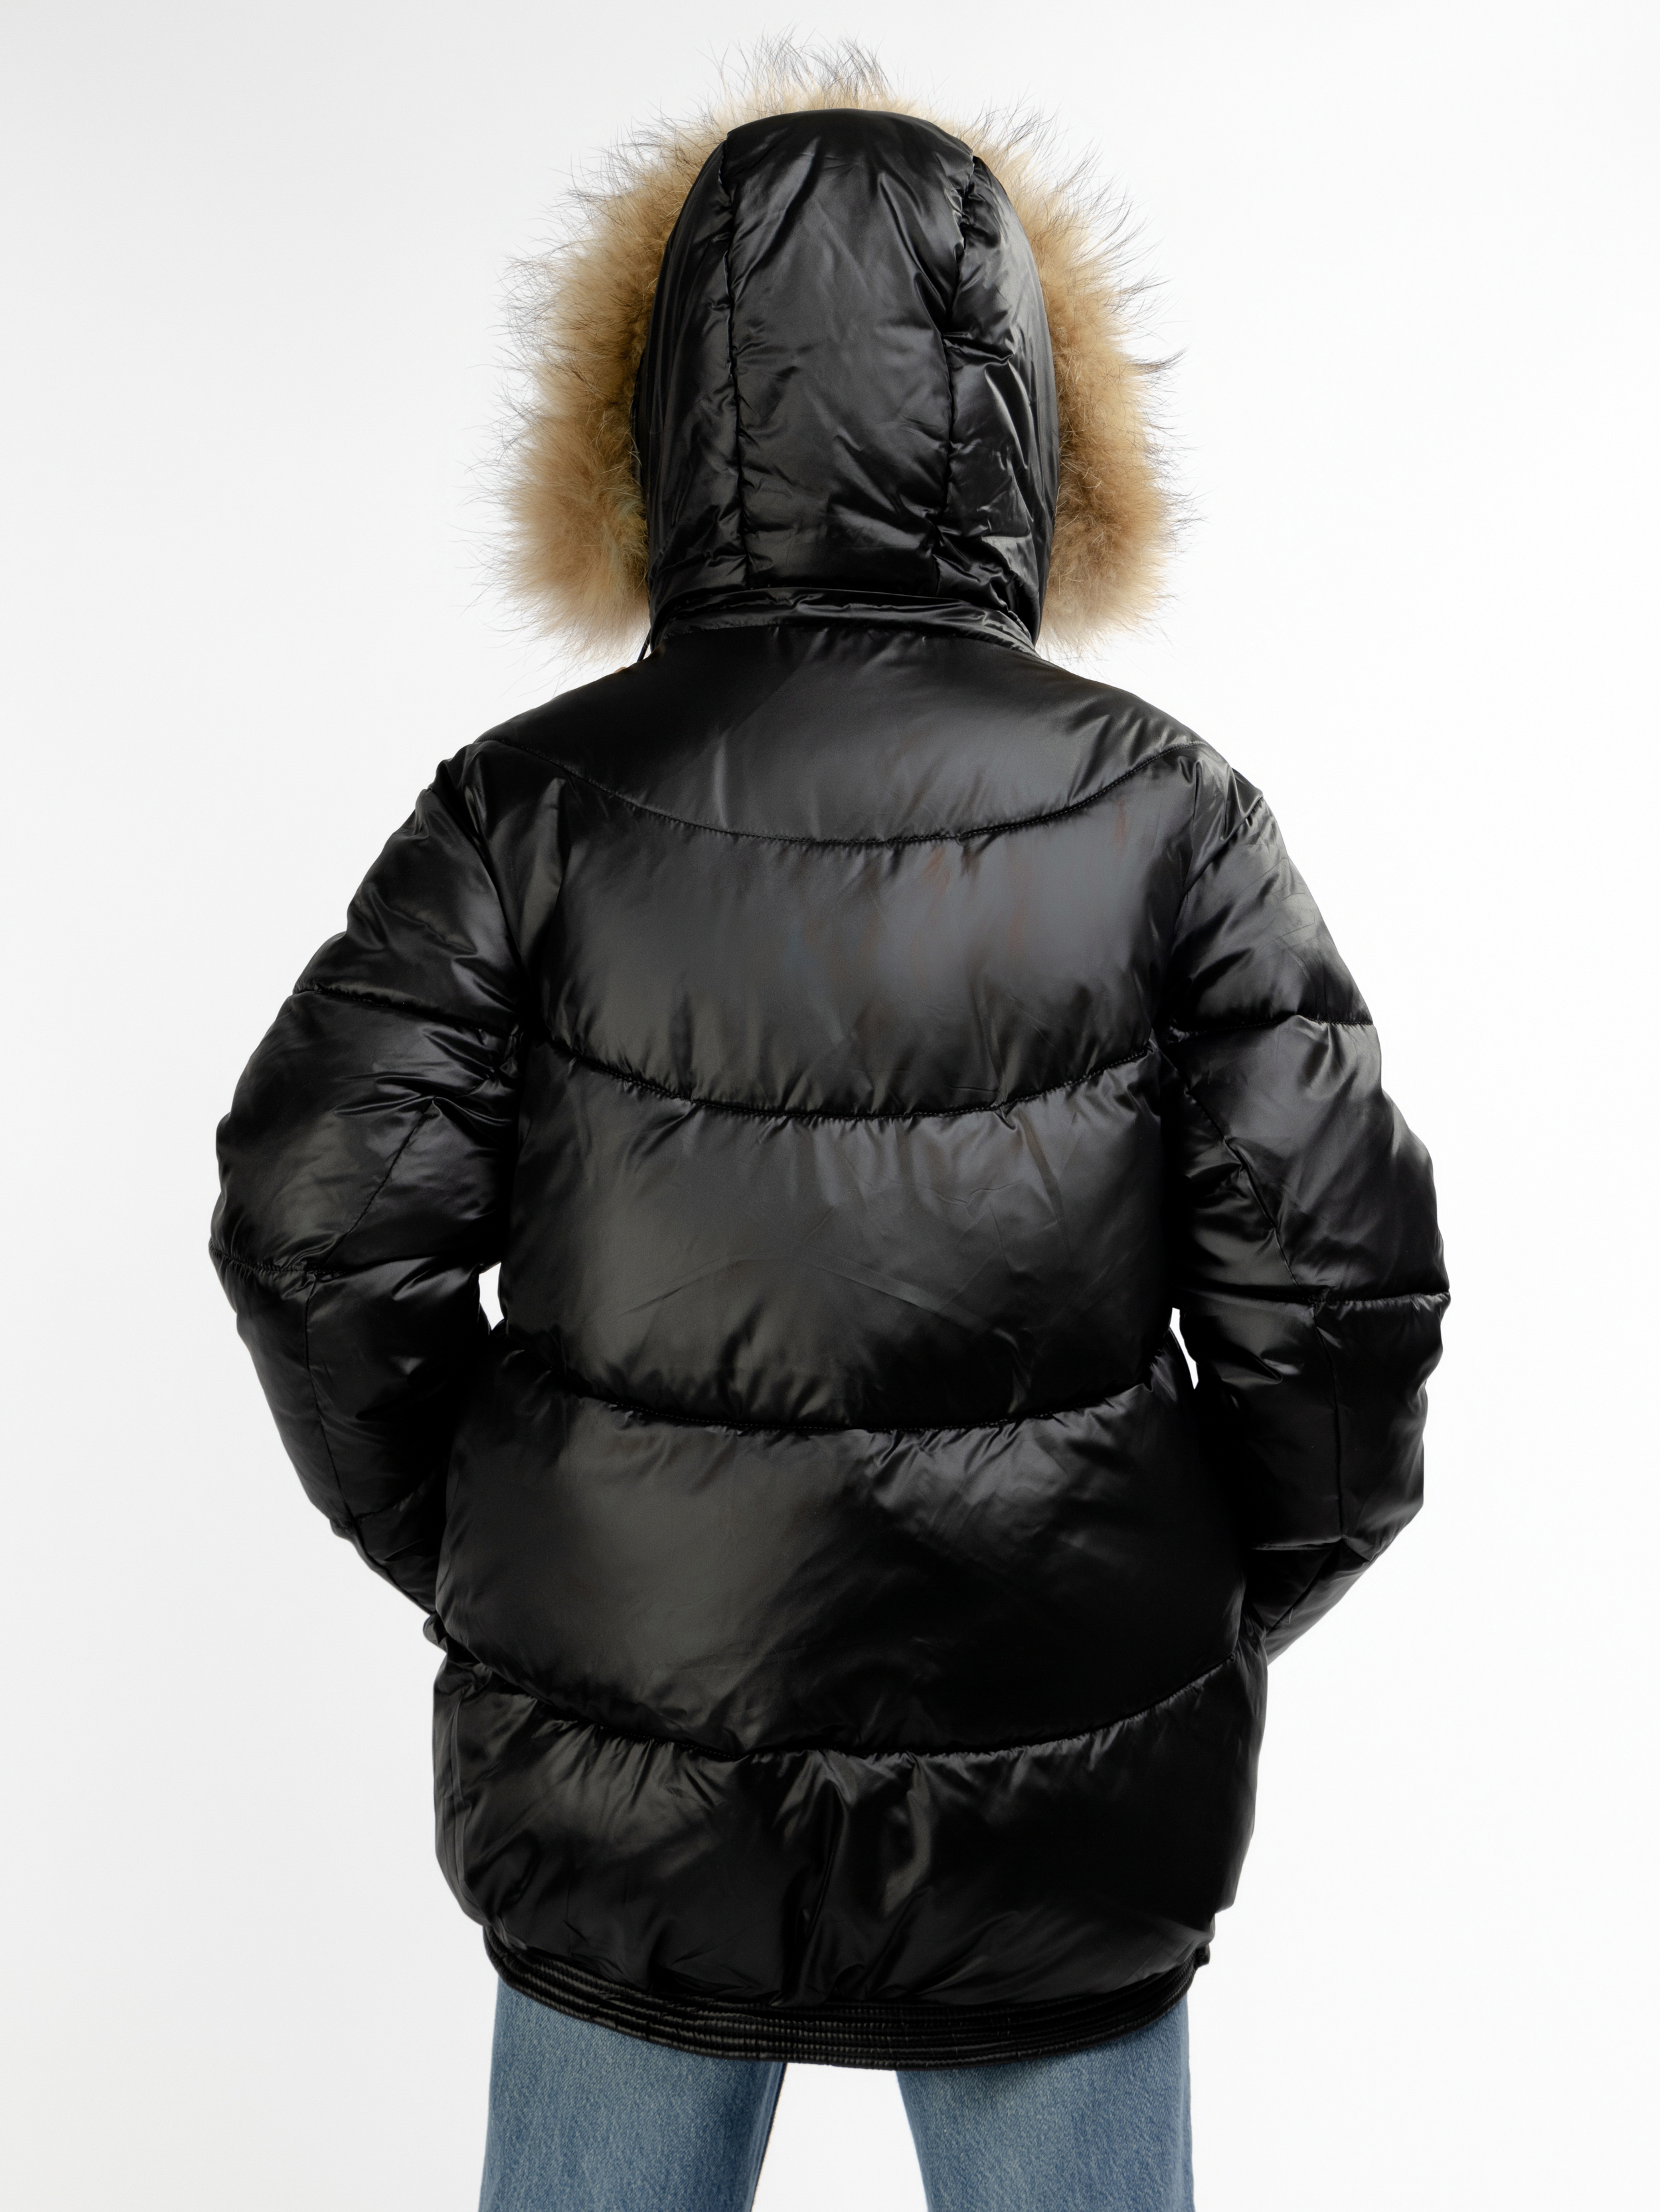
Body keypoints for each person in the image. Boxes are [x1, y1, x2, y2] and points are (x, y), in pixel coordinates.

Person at [212, 50, 1447, 2212]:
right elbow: (1337, 1291)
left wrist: (517, 1553)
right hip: (1057, 1775)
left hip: (626, 1767)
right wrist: (1194, 1603)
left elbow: (313, 1220)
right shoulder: (1167, 812)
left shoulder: (529, 806)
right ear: (1025, 417)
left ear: (662, 412)